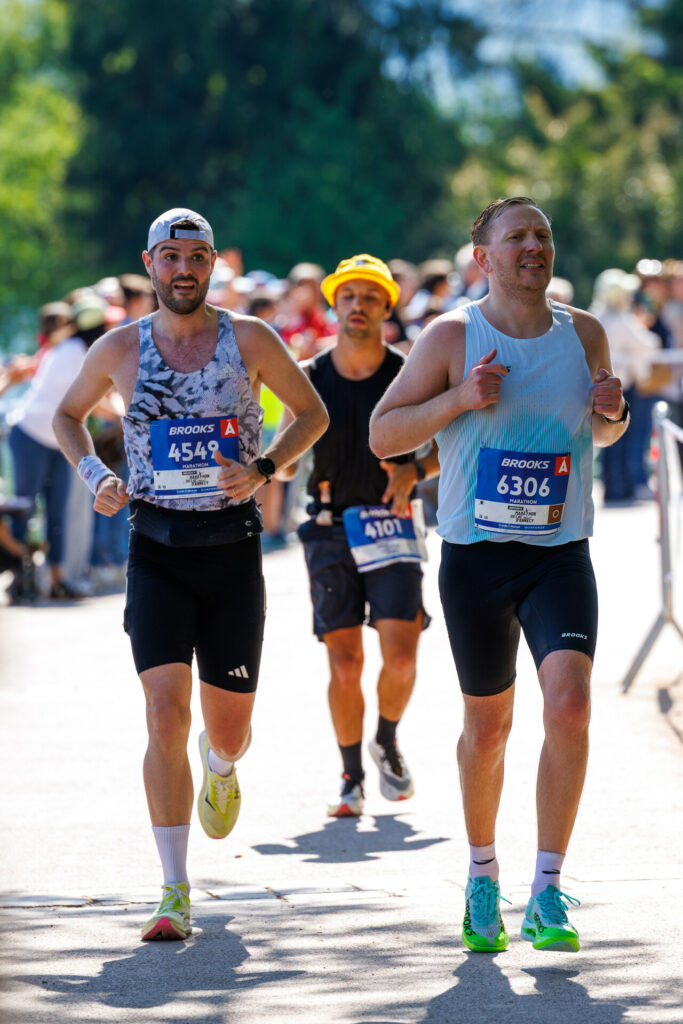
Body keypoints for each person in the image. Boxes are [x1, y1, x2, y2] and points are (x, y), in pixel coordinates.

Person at [53, 208, 328, 942]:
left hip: (231, 547)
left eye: (196, 257)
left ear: (213, 267)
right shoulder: (119, 348)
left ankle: (223, 762)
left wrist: (265, 467)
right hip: (158, 548)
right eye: (170, 256)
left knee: (226, 730)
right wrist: (94, 474)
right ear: (149, 263)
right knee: (163, 713)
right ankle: (173, 890)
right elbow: (67, 417)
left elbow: (312, 414)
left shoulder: (252, 339)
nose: (183, 269)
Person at [369, 197, 628, 954]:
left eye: (542, 234)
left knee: (570, 704)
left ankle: (547, 889)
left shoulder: (584, 332)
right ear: (480, 256)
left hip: (558, 552)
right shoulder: (453, 334)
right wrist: (456, 398)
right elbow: (385, 431)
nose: (532, 247)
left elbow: (603, 427)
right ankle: (482, 875)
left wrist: (608, 411)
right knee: (488, 729)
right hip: (476, 557)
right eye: (514, 237)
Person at [278, 254, 439, 817]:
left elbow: (453, 438)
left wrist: (415, 470)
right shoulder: (307, 373)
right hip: (327, 526)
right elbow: (283, 456)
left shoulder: (410, 371)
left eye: (370, 297)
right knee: (345, 663)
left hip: (391, 522)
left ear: (386, 307)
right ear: (333, 304)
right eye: (348, 296)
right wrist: (270, 465)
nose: (358, 306)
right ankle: (350, 776)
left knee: (400, 658)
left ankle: (387, 738)